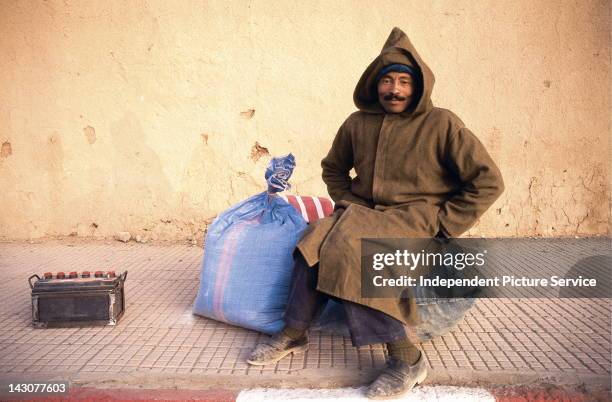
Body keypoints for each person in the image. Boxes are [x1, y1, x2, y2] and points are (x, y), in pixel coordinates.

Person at [247, 27, 504, 399]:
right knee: (313, 239)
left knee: (358, 255)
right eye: (387, 79)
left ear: (418, 86)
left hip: (413, 221)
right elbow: (333, 168)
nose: (395, 89)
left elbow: (488, 180)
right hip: (360, 214)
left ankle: (407, 359)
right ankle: (295, 331)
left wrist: (445, 224)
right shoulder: (357, 123)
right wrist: (346, 200)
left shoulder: (442, 124)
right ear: (375, 83)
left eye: (403, 81)